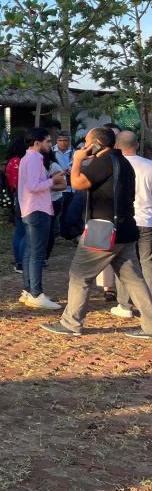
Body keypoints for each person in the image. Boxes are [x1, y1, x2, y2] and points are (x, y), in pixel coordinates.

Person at [41, 127, 152, 340]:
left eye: (87, 141)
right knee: (134, 280)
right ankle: (150, 325)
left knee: (79, 275)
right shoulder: (124, 163)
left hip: (104, 230)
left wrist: (77, 160)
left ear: (97, 144)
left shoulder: (104, 162)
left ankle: (71, 323)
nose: (84, 145)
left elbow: (77, 183)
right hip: (125, 228)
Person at [17, 127, 64, 309]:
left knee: (30, 252)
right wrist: (54, 180)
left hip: (31, 209)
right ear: (37, 143)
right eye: (48, 142)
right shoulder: (35, 159)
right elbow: (34, 186)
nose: (50, 145)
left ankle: (30, 290)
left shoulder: (26, 158)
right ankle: (36, 293)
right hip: (38, 210)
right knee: (37, 254)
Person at [113, 130, 152, 318]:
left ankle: (124, 304)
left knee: (124, 263)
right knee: (147, 263)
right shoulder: (149, 166)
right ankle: (148, 305)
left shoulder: (114, 166)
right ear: (137, 145)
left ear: (116, 146)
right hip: (147, 220)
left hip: (124, 221)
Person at [5, 136, 27, 273]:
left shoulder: (11, 161)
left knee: (19, 231)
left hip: (16, 197)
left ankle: (18, 260)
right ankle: (20, 261)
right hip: (23, 198)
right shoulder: (19, 162)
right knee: (24, 232)